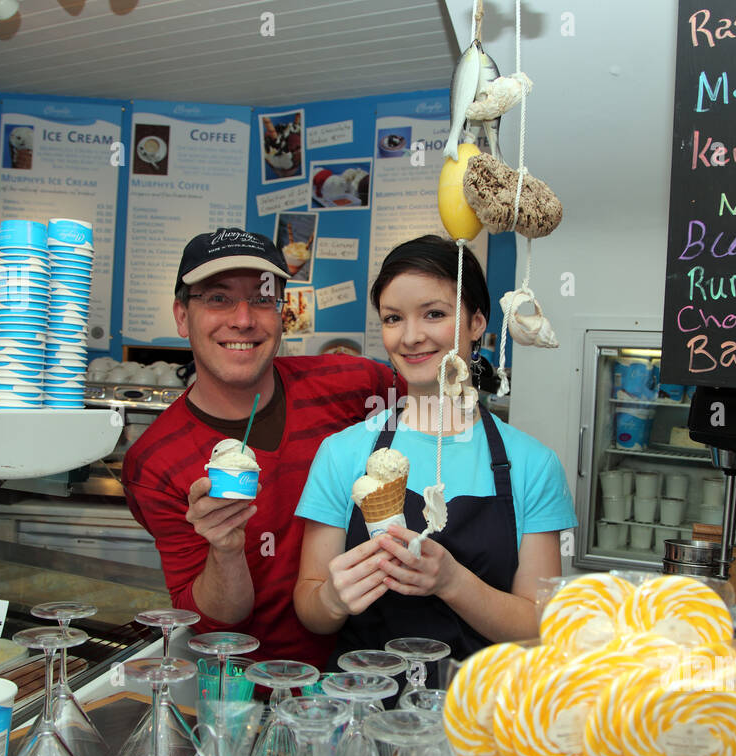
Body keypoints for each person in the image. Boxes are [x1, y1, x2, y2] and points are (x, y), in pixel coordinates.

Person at [122, 228, 398, 669]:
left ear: (281, 313)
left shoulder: (352, 385)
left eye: (263, 298)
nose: (244, 319)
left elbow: (440, 403)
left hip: (378, 669)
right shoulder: (154, 462)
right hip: (258, 691)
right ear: (181, 315)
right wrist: (226, 549)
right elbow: (219, 621)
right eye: (217, 298)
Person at [293, 235, 577, 664]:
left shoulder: (532, 464)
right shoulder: (341, 452)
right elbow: (310, 608)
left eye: (434, 314)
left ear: (477, 322)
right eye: (393, 318)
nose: (410, 336)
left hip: (477, 713)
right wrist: (332, 598)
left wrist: (452, 582)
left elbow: (540, 630)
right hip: (360, 704)